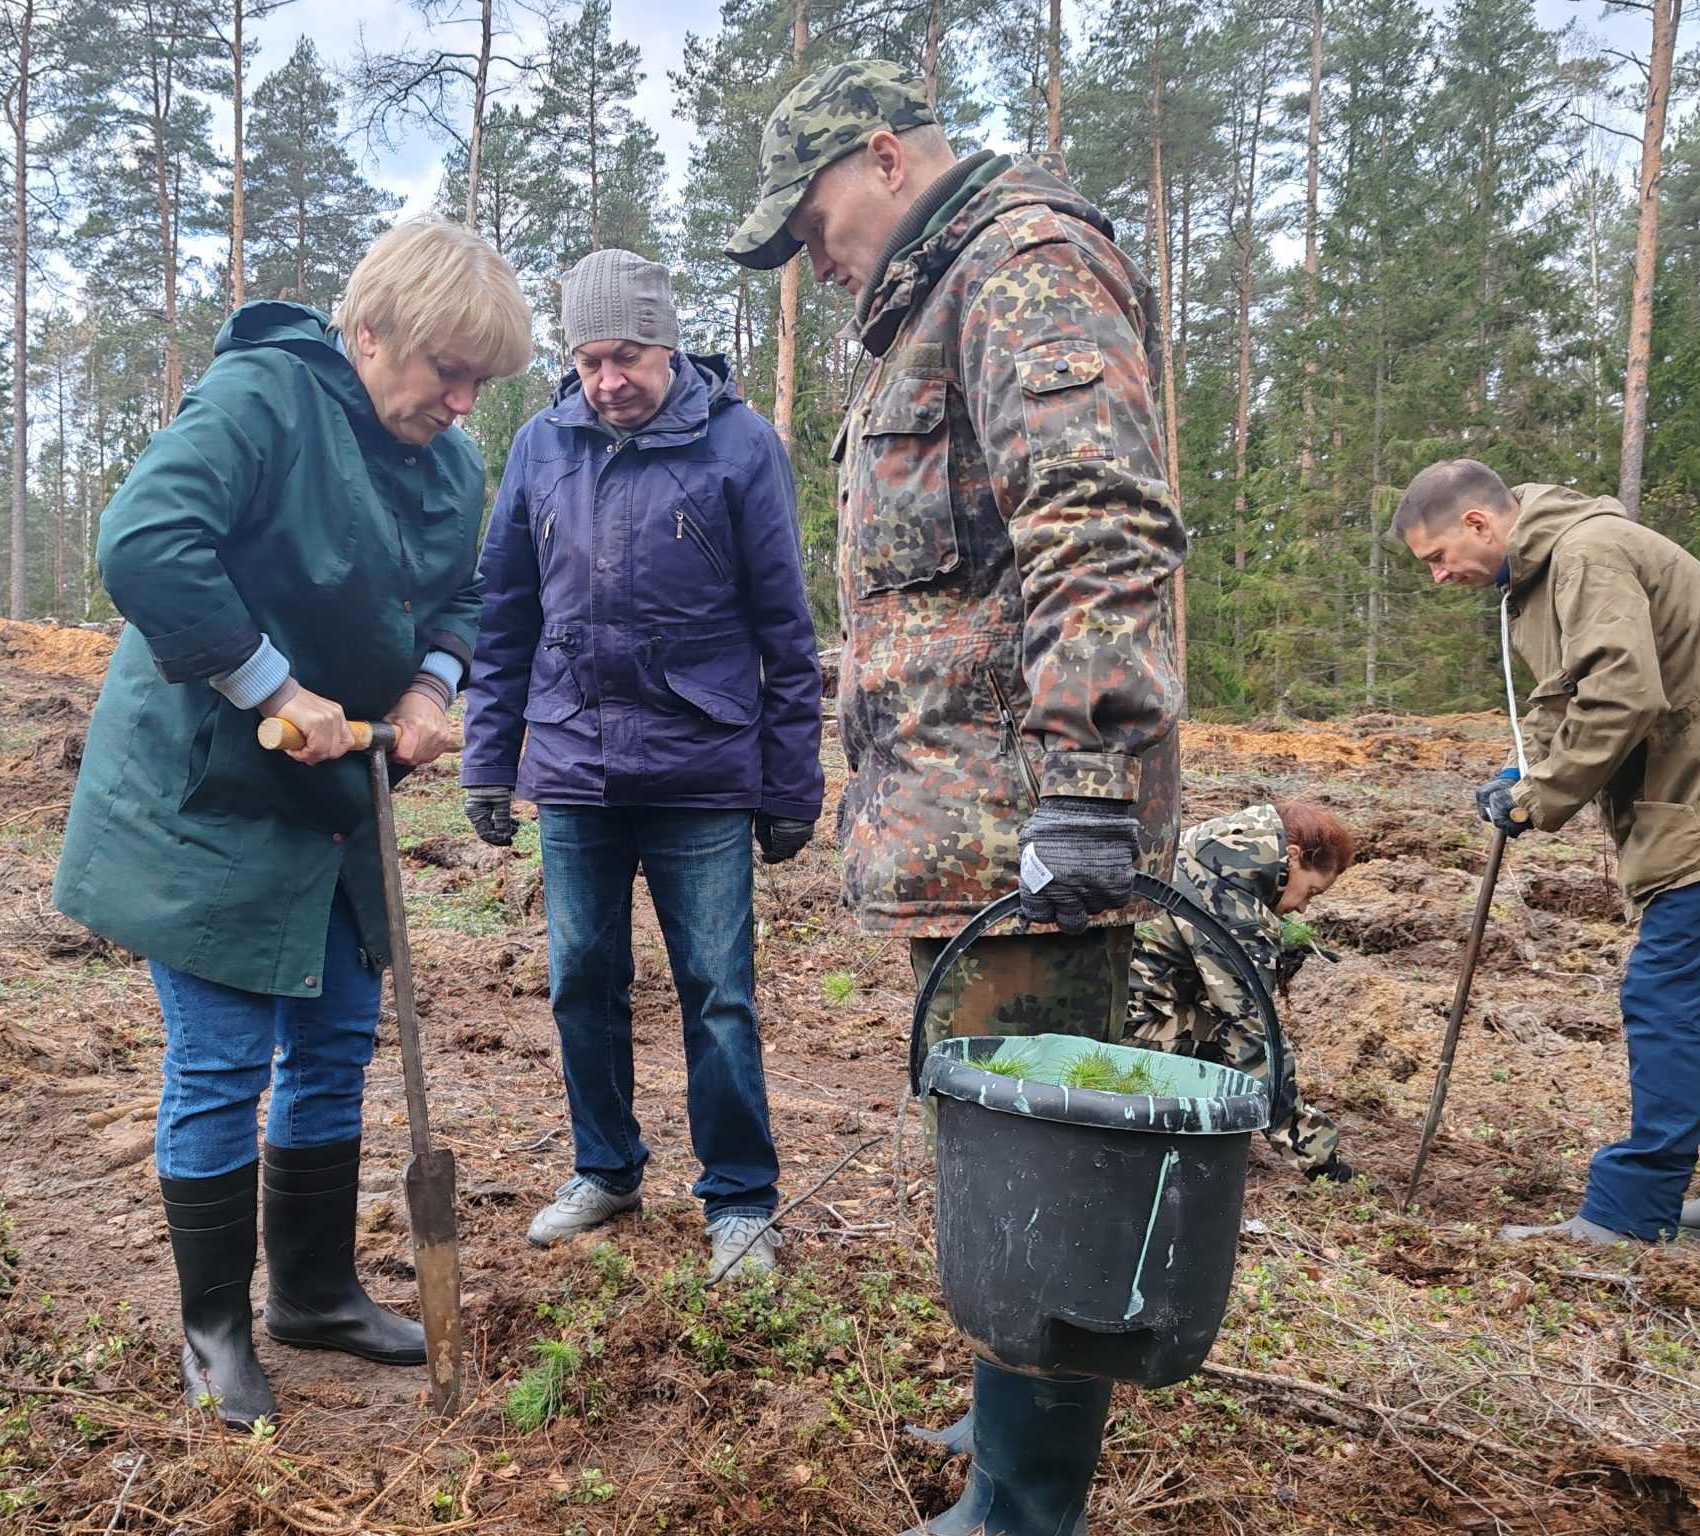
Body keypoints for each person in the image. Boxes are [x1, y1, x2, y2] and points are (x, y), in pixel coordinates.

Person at [726, 57, 1185, 1536]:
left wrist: (1089, 780)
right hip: (968, 835)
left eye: (810, 223)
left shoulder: (1024, 266)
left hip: (1033, 833)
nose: (812, 258)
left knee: (1045, 1160)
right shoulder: (935, 300)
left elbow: (1096, 524)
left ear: (882, 158)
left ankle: (1024, 1504)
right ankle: (1007, 1412)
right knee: (994, 1143)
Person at [52, 218, 533, 1430]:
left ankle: (314, 1294)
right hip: (209, 789)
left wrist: (429, 689)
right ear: (367, 335)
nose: (460, 403)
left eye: (479, 383)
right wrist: (271, 687)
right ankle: (212, 1327)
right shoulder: (263, 399)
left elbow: (469, 591)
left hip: (336, 802)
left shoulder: (448, 460)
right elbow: (145, 544)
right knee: (221, 1061)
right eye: (446, 372)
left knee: (331, 1046)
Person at [460, 247, 823, 1280]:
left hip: (701, 767)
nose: (606, 381)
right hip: (574, 763)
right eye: (587, 361)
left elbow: (784, 629)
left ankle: (739, 1198)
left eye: (625, 357)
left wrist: (790, 782)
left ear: (667, 345)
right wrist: (489, 758)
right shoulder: (540, 445)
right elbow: (505, 615)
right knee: (581, 979)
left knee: (717, 991)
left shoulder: (738, 445)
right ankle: (606, 1167)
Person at [1394, 458, 1700, 1245]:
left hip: (1698, 812)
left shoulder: (1587, 555)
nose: (1438, 577)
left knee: (1667, 998)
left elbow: (1623, 693)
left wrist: (1542, 795)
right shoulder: (1536, 579)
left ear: (1479, 523)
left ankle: (1629, 1213)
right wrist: (1520, 770)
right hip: (1684, 804)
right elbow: (1560, 696)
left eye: (1438, 557)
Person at [1122, 802, 1356, 1183]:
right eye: (1311, 892)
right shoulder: (1234, 910)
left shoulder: (1206, 847)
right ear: (1292, 857)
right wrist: (1316, 1153)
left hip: (1105, 1000)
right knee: (1229, 1044)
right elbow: (1253, 1038)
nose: (1303, 908)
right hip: (1122, 1029)